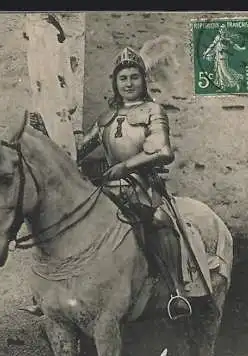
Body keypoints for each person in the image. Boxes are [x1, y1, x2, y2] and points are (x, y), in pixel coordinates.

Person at [77, 47, 192, 320]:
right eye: (123, 78)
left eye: (134, 77)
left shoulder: (153, 110)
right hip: (107, 190)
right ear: (115, 83)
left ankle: (177, 293)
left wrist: (125, 166)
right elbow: (79, 151)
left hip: (143, 187)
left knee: (160, 221)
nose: (128, 83)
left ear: (143, 80)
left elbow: (163, 150)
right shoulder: (106, 117)